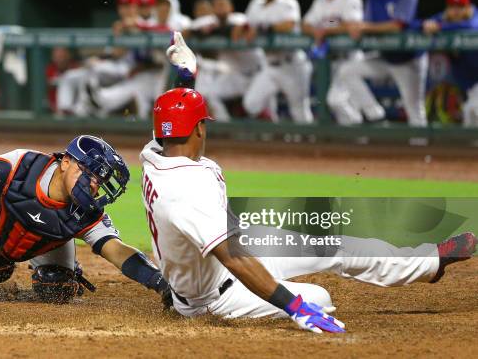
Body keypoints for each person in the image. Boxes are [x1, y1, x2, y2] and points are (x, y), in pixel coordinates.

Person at [139, 31, 477, 333]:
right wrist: (295, 307)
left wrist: (186, 75)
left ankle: (429, 262)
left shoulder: (155, 154)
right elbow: (234, 260)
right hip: (213, 296)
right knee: (319, 298)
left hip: (220, 257)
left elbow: (171, 123)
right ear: (199, 128)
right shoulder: (187, 191)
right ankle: (283, 306)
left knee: (336, 244)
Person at [0, 135, 171, 305]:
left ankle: (66, 268)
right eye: (89, 174)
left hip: (49, 240)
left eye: (99, 182)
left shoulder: (86, 210)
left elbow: (116, 250)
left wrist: (160, 282)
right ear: (66, 162)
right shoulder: (19, 166)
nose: (93, 186)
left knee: (56, 288)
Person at [336, 0, 427, 126]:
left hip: (409, 60)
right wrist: (354, 27)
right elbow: (365, 23)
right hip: (386, 58)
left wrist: (364, 27)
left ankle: (421, 147)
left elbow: (398, 25)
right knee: (347, 71)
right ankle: (375, 114)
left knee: (414, 109)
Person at [239, 0, 313, 123]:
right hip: (270, 65)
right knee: (251, 103)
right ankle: (273, 130)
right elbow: (246, 26)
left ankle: (312, 145)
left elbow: (289, 25)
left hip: (292, 63)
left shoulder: (288, 2)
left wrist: (261, 28)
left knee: (299, 111)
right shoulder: (255, 3)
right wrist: (243, 29)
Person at [302, 0, 365, 125]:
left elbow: (351, 24)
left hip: (350, 57)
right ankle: (354, 138)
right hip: (331, 60)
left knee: (337, 101)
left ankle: (358, 130)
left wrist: (326, 28)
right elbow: (306, 23)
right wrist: (323, 27)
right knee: (340, 103)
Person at [187, 0, 264, 121]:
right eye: (216, 5)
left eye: (223, 4)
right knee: (208, 93)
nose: (220, 7)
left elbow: (236, 31)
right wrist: (199, 32)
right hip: (235, 76)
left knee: (261, 109)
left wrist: (212, 31)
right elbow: (185, 31)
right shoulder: (209, 21)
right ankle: (226, 127)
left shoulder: (239, 18)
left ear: (231, 7)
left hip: (258, 75)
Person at [420, 0, 478, 127]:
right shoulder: (444, 19)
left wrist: (440, 27)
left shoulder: (474, 17)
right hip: (470, 83)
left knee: (472, 109)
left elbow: (471, 27)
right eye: (453, 7)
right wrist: (429, 24)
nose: (456, 11)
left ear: (468, 7)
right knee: (470, 116)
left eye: (461, 7)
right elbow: (425, 24)